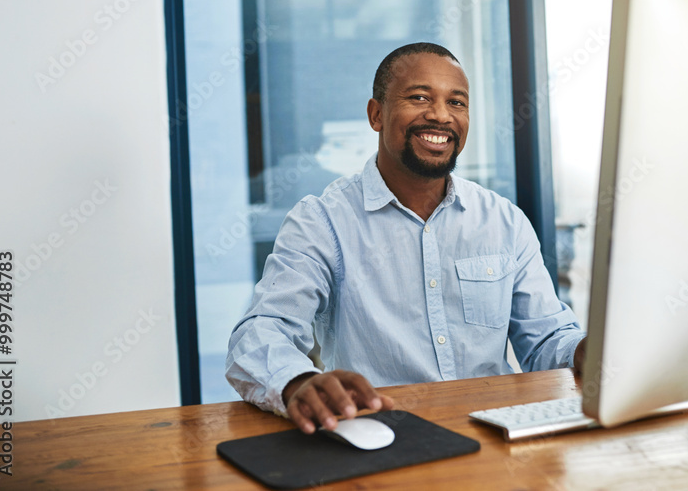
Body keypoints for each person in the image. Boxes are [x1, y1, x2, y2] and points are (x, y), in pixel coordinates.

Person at [226, 42, 586, 434]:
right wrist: (297, 382)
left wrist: (588, 352)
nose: (440, 116)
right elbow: (260, 332)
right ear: (376, 114)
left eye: (457, 103)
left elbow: (546, 339)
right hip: (384, 435)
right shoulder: (321, 221)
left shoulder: (503, 220)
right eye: (419, 97)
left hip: (495, 432)